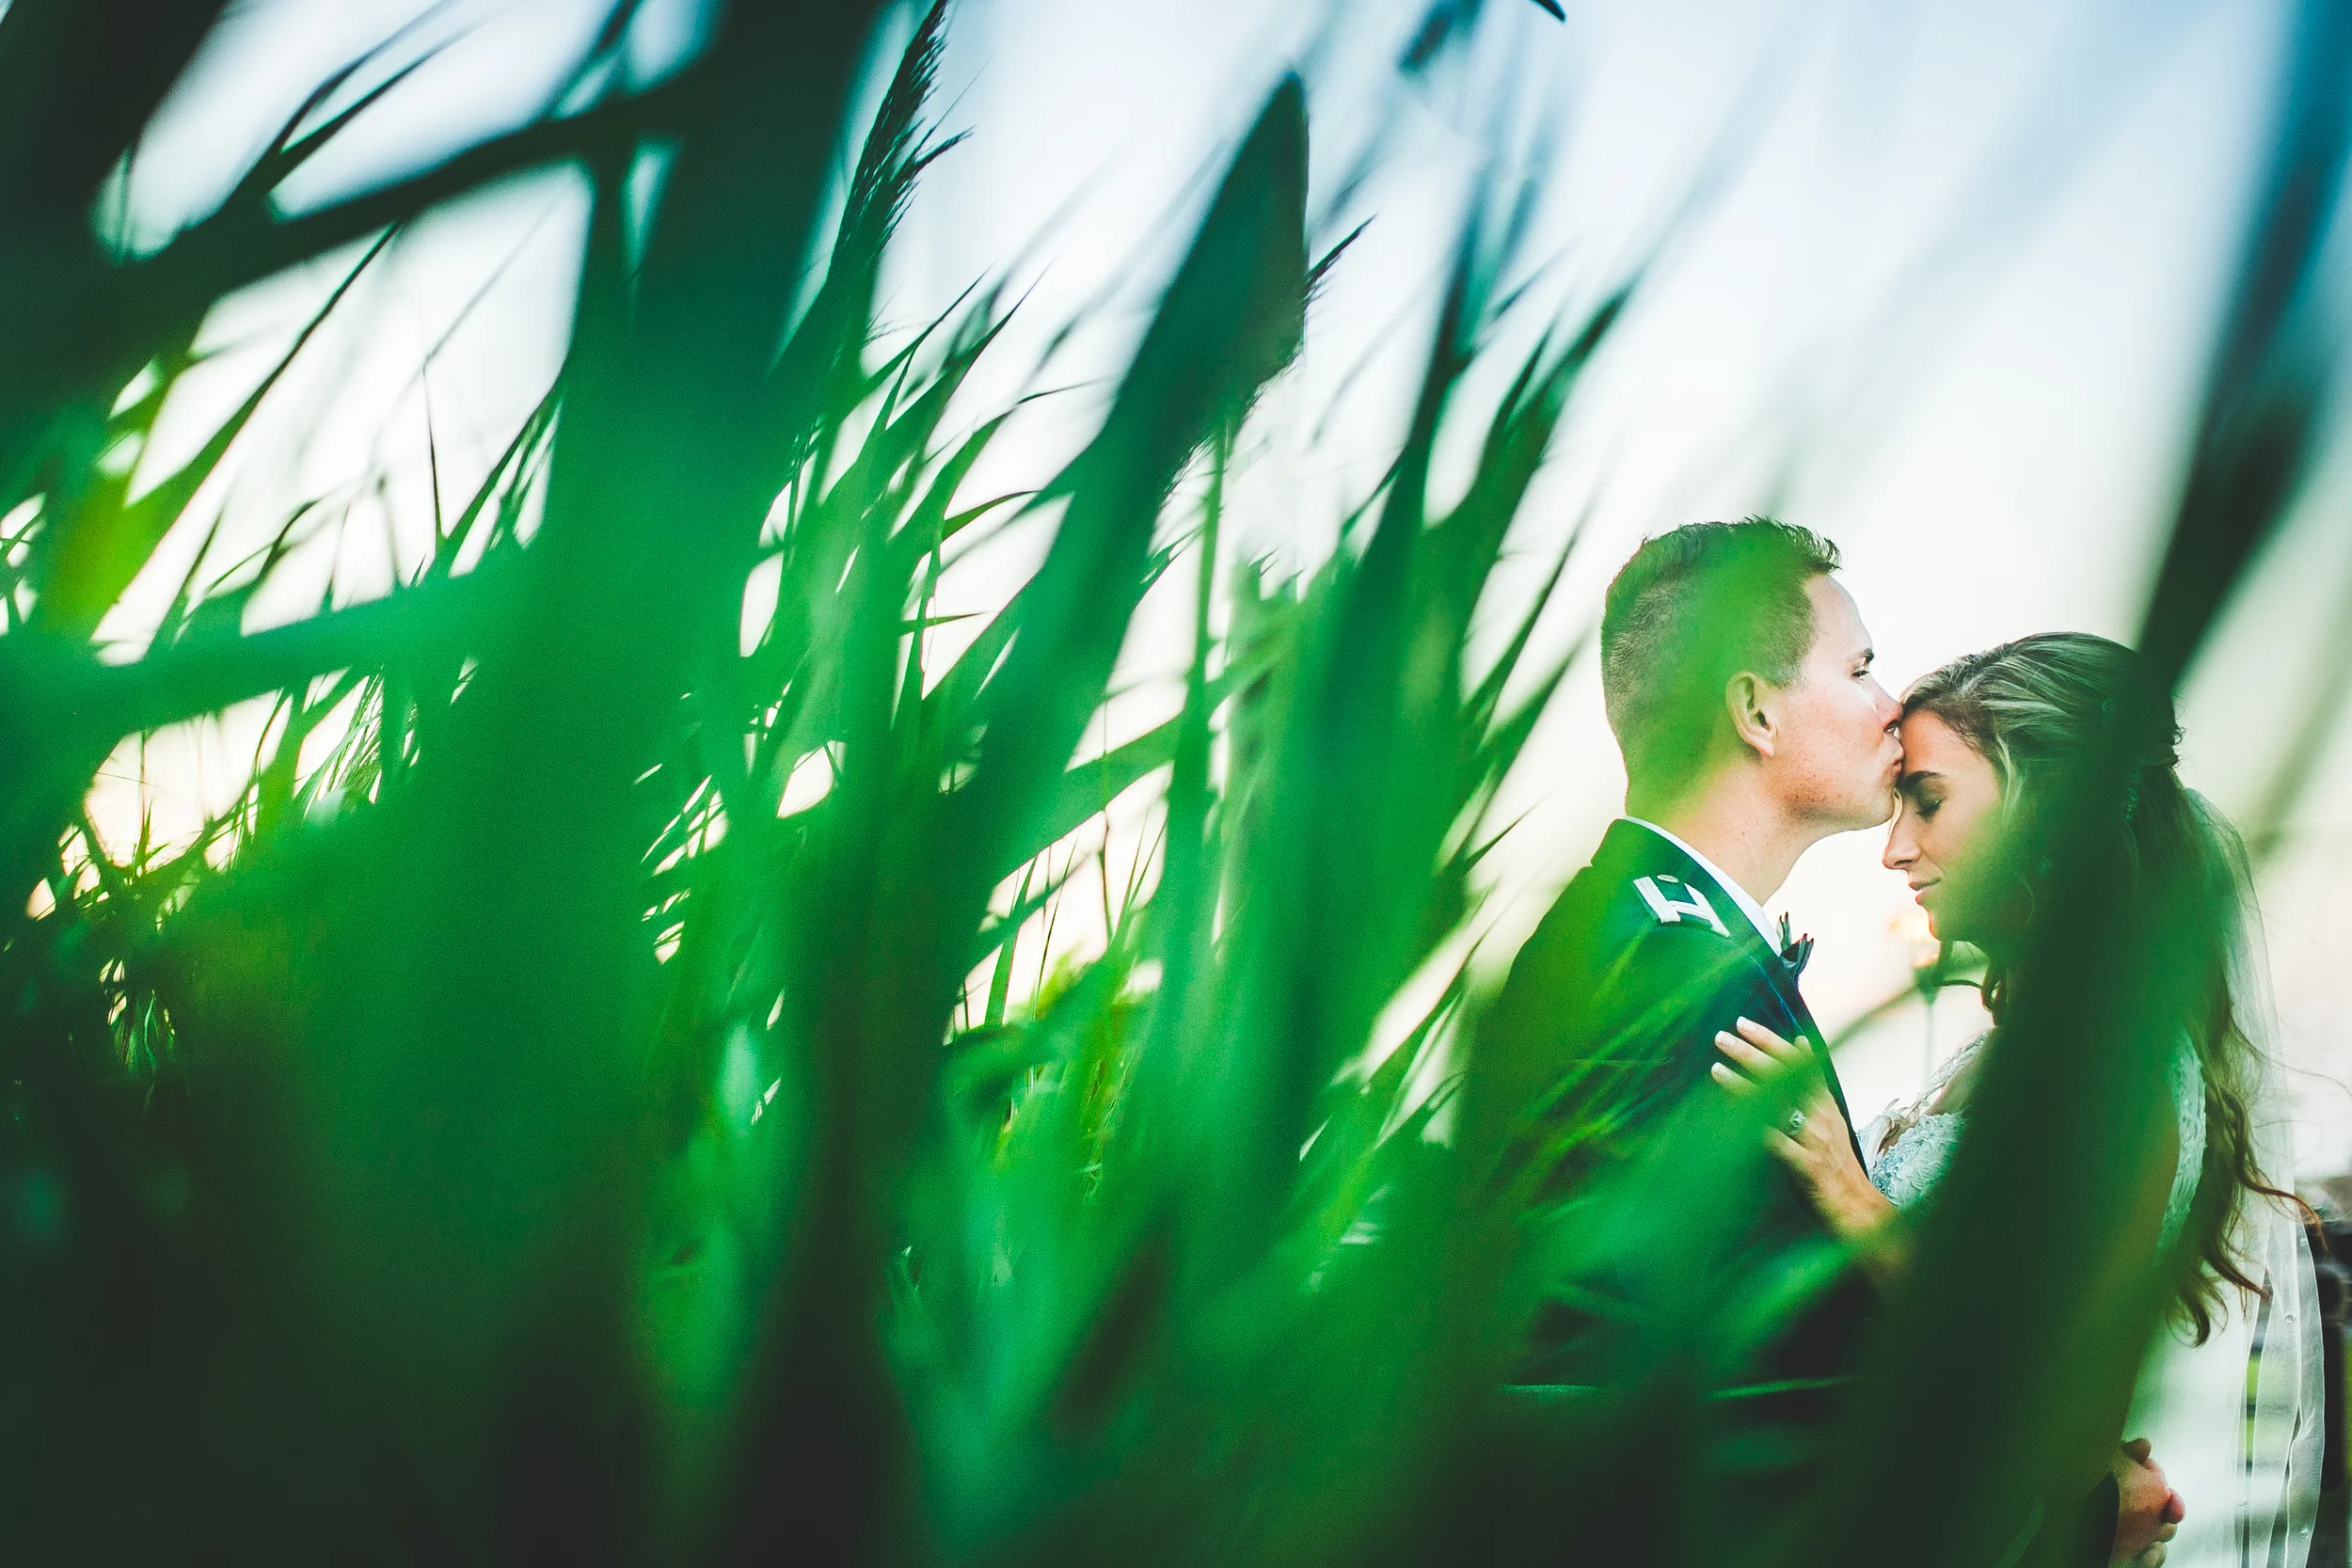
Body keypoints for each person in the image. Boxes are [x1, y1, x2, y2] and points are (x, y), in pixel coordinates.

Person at [1714, 633, 2325, 1568]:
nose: (1895, 849)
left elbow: (2055, 1403)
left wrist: (1853, 1195)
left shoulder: (2117, 1063)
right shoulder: (2029, 1046)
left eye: (1928, 801)